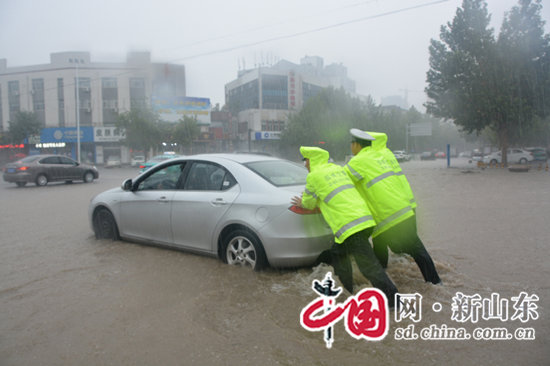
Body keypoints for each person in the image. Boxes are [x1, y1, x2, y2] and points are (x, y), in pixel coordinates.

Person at [291, 146, 398, 306]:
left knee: (369, 267)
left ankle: (395, 303)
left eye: (305, 160)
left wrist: (301, 202)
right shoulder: (337, 169)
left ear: (311, 160)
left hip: (350, 227)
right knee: (338, 255)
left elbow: (308, 202)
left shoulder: (314, 176)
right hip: (365, 220)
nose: (305, 164)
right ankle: (349, 290)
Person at [344, 129, 441, 284]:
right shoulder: (380, 157)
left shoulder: (356, 162)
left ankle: (385, 283)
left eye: (351, 143)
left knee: (388, 248)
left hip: (386, 216)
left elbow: (342, 184)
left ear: (356, 145)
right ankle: (435, 283)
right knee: (417, 250)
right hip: (404, 209)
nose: (350, 147)